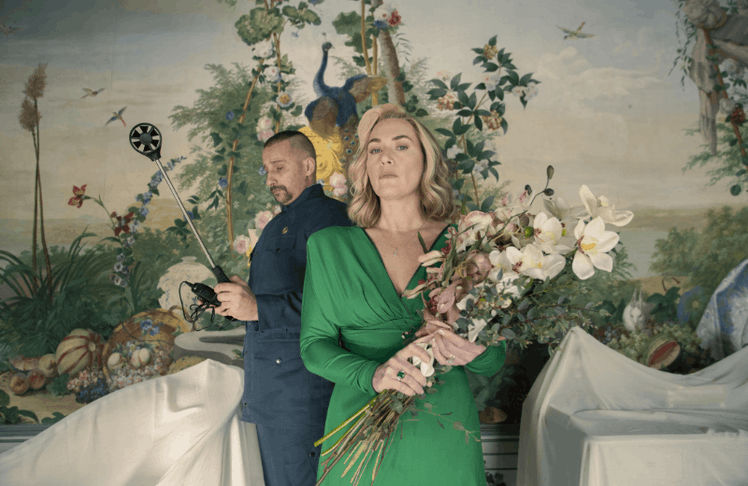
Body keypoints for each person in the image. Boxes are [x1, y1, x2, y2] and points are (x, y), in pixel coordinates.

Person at [299, 104, 507, 485]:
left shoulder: (467, 244)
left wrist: (475, 351)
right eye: (374, 149)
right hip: (357, 424)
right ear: (365, 166)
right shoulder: (328, 246)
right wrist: (374, 374)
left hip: (444, 430)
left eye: (401, 146)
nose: (385, 157)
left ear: (426, 161)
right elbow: (313, 346)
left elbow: (494, 358)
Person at [210, 130, 353, 486]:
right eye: (267, 170)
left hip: (303, 393)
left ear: (308, 166)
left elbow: (337, 306)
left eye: (279, 167)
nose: (270, 179)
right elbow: (265, 302)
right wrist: (238, 301)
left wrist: (258, 308)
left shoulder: (331, 219)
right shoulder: (276, 225)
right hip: (269, 391)